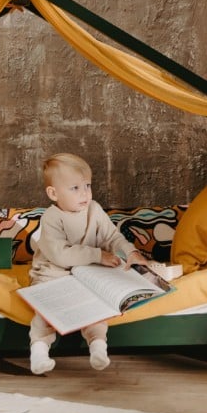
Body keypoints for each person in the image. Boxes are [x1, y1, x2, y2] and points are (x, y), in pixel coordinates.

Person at [28, 153, 147, 374]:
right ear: (53, 193)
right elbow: (61, 254)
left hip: (86, 272)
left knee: (96, 309)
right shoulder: (52, 217)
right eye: (75, 188)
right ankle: (39, 352)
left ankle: (98, 346)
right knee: (46, 312)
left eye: (87, 186)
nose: (84, 193)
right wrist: (98, 255)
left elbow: (112, 237)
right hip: (53, 272)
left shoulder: (94, 209)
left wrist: (131, 252)